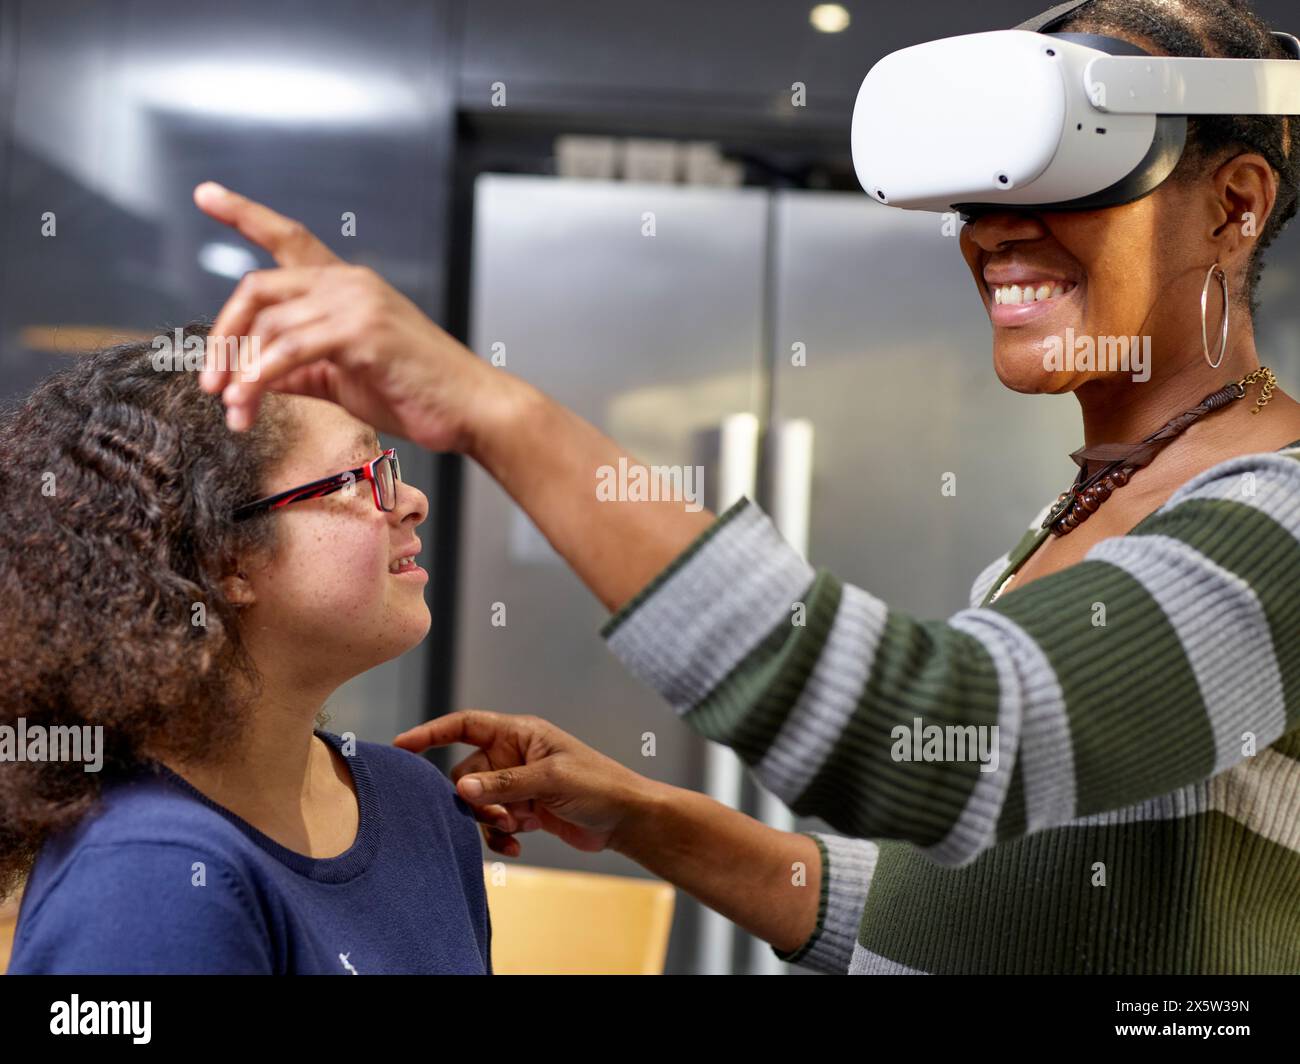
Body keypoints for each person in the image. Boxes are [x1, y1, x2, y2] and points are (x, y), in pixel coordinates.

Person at [84, 0, 1300, 974]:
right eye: (981, 199)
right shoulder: (1085, 515)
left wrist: (493, 407)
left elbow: (934, 748)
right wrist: (645, 813)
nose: (994, 237)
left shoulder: (1276, 519)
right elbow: (967, 916)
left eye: (1062, 181)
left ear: (1234, 205)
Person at [0, 330, 491, 974]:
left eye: (391, 468)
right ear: (227, 557)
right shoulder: (153, 876)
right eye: (364, 476)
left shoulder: (418, 801)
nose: (414, 502)